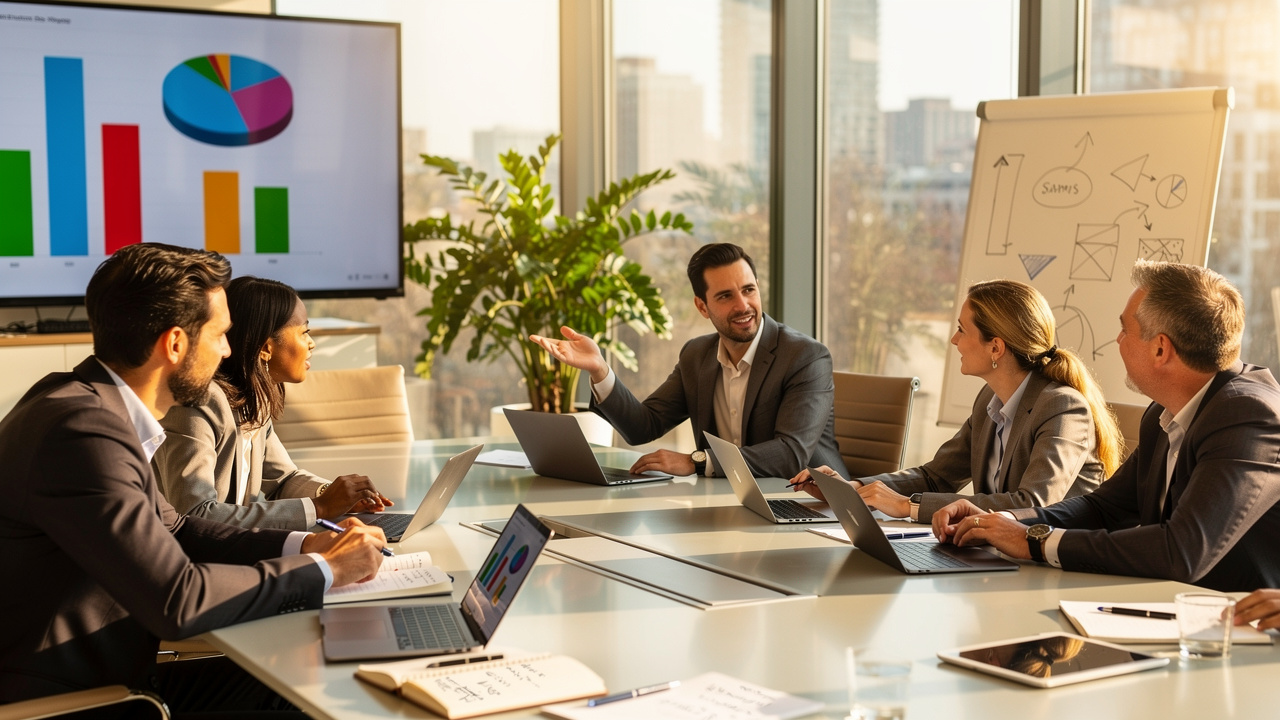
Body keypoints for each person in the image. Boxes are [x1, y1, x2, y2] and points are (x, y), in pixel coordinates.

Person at [0, 243, 387, 712]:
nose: (228, 350)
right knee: (311, 691)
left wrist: (306, 545)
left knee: (300, 677)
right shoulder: (83, 432)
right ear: (175, 344)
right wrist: (326, 569)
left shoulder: (87, 405)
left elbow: (178, 528)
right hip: (73, 701)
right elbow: (178, 600)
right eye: (220, 335)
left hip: (113, 674)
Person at [933, 260, 1280, 592]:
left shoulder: (1247, 415)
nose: (1117, 340)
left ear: (1160, 349)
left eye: (1125, 330)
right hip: (1173, 606)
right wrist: (1006, 521)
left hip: (1234, 623)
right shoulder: (1164, 411)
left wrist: (1034, 542)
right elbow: (1104, 508)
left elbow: (1182, 550)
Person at [792, 279, 1122, 523]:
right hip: (999, 554)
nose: (954, 339)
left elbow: (1033, 504)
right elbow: (936, 476)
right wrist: (852, 488)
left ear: (996, 347)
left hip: (1060, 568)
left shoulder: (1062, 408)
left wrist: (909, 506)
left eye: (962, 330)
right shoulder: (990, 400)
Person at [531, 242, 847, 479]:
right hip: (730, 504)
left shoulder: (805, 357)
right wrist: (600, 370)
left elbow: (790, 454)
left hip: (810, 506)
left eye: (749, 290)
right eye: (725, 296)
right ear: (702, 306)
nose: (743, 305)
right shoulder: (697, 356)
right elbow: (643, 426)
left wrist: (697, 461)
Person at [153, 276, 392, 530]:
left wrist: (333, 496)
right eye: (304, 332)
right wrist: (320, 507)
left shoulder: (255, 399)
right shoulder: (199, 404)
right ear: (266, 348)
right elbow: (194, 514)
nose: (311, 343)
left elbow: (283, 479)